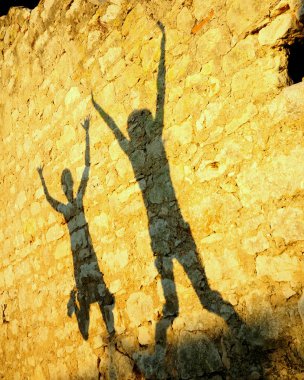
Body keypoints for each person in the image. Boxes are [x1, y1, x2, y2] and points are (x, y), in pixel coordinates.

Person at [92, 21, 245, 362]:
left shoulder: (148, 144)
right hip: (162, 232)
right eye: (136, 125)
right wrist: (98, 109)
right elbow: (119, 127)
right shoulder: (138, 151)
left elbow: (159, 92)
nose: (135, 129)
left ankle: (231, 334)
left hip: (166, 228)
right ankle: (164, 356)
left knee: (195, 299)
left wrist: (163, 43)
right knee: (178, 304)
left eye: (136, 124)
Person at [37, 116, 115, 340]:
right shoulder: (66, 207)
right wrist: (42, 178)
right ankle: (80, 313)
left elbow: (87, 168)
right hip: (78, 259)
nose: (67, 185)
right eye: (65, 183)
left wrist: (87, 134)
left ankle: (111, 332)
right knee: (88, 304)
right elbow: (49, 199)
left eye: (67, 182)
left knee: (100, 293)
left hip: (88, 255)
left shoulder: (78, 201)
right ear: (63, 186)